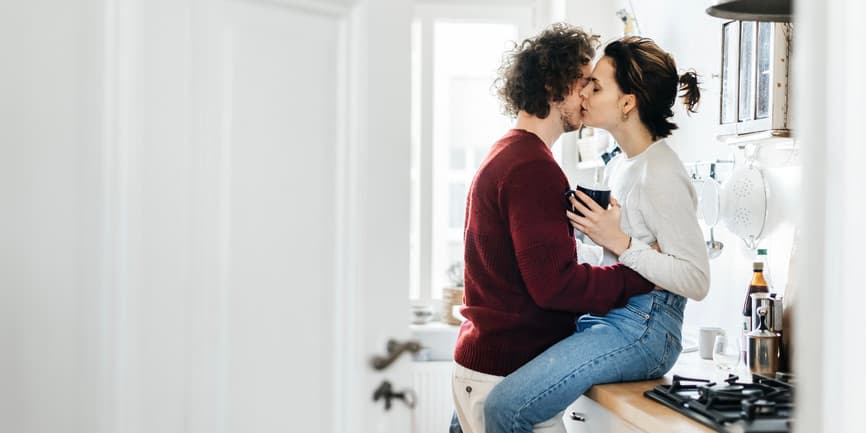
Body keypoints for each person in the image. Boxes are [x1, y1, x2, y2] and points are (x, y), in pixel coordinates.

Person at [481, 36, 710, 433]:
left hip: (646, 331)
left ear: (627, 103)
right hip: (610, 319)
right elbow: (621, 255)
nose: (584, 92)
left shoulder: (661, 173)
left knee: (505, 407)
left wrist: (620, 243)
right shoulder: (624, 166)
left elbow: (696, 278)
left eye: (597, 86)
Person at [450, 24, 657, 433]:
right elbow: (555, 287)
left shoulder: (511, 153)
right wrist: (639, 274)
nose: (587, 96)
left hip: (489, 367)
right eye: (583, 83)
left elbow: (533, 270)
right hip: (505, 374)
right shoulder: (532, 167)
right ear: (552, 84)